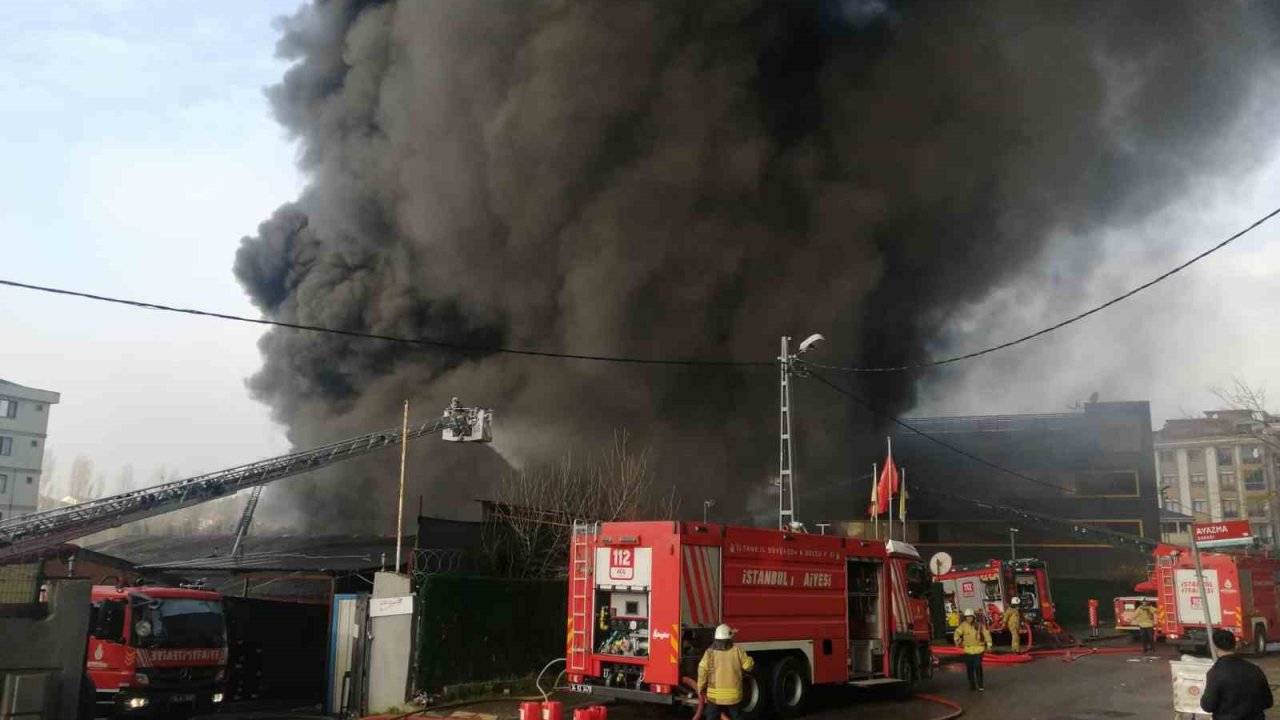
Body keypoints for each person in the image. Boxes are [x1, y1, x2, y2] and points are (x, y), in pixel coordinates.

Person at [1201, 628, 1273, 720]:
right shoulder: (1254, 669)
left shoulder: (1215, 673)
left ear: (1215, 648)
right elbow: (1268, 702)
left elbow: (1207, 706)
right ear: (1235, 646)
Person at [698, 624, 756, 720]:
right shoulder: (737, 651)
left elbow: (702, 670)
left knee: (711, 717)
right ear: (729, 638)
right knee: (736, 716)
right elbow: (748, 666)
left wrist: (700, 687)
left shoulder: (709, 653)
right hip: (734, 697)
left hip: (714, 697)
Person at [954, 608, 992, 691]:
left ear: (973, 617)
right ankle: (972, 685)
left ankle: (980, 685)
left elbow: (986, 634)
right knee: (969, 668)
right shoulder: (963, 625)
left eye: (970, 617)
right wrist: (956, 639)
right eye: (967, 617)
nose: (968, 618)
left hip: (979, 650)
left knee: (978, 666)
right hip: (968, 650)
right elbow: (957, 632)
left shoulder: (979, 625)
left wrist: (989, 644)